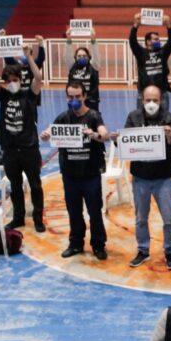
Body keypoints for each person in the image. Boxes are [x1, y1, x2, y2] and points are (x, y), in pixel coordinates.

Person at [41, 81, 109, 260]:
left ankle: (98, 244)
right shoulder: (63, 117)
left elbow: (105, 134)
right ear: (66, 97)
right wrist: (46, 134)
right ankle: (76, 243)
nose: (74, 100)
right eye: (71, 97)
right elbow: (50, 131)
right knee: (74, 211)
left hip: (90, 174)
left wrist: (96, 135)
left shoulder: (94, 116)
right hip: (70, 175)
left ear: (84, 96)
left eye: (78, 97)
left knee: (95, 211)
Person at [0, 41, 46, 232]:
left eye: (15, 79)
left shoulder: (29, 95)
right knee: (15, 186)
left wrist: (29, 55)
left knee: (35, 185)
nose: (11, 83)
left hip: (29, 148)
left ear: (20, 79)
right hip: (10, 149)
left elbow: (39, 77)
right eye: (8, 80)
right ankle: (18, 217)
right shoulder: (3, 95)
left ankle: (38, 218)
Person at [123, 85, 171, 270]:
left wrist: (170, 138)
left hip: (163, 178)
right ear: (142, 99)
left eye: (155, 100)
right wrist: (118, 139)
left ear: (161, 100)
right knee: (140, 218)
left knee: (169, 219)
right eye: (148, 100)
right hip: (140, 177)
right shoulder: (133, 117)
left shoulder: (169, 118)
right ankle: (143, 250)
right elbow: (127, 143)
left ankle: (169, 251)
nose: (152, 103)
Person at [129, 13, 171, 110]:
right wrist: (135, 25)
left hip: (162, 92)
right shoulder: (141, 53)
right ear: (148, 41)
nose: (159, 41)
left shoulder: (163, 52)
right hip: (144, 93)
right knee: (141, 119)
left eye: (159, 39)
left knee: (164, 119)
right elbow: (132, 41)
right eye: (156, 39)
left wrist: (168, 25)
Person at [0, 29, 45, 106]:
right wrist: (2, 38)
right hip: (18, 96)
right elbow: (7, 57)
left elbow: (41, 58)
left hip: (31, 96)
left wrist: (40, 44)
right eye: (24, 51)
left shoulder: (33, 66)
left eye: (28, 51)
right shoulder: (16, 66)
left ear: (31, 54)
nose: (25, 53)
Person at [63, 29, 100, 110]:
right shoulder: (72, 65)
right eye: (79, 56)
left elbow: (96, 55)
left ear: (88, 57)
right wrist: (68, 40)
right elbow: (67, 56)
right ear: (75, 57)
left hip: (90, 101)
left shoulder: (94, 66)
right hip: (74, 100)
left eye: (84, 55)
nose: (82, 57)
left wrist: (93, 40)